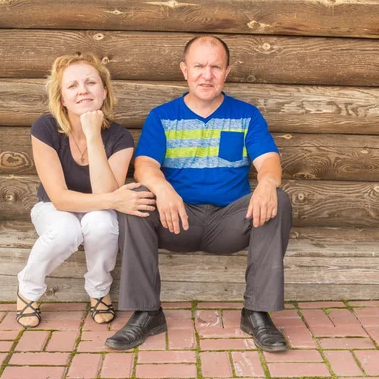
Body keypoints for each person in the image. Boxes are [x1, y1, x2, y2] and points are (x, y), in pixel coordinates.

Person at [105, 36, 292, 352]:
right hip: (177, 219)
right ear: (184, 70)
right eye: (199, 66)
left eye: (215, 67)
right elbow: (145, 166)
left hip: (229, 222)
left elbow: (269, 161)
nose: (207, 75)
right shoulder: (163, 116)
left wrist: (266, 183)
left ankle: (257, 312)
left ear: (227, 71)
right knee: (135, 197)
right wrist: (162, 188)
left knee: (278, 199)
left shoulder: (246, 115)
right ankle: (147, 312)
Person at [16, 52, 155, 328]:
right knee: (67, 229)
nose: (83, 91)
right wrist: (114, 199)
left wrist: (93, 135)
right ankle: (28, 289)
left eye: (91, 83)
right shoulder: (45, 128)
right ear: (62, 98)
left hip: (98, 210)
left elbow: (104, 195)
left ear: (104, 91)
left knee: (102, 223)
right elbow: (60, 198)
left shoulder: (119, 137)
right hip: (53, 209)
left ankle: (99, 291)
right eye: (72, 86)